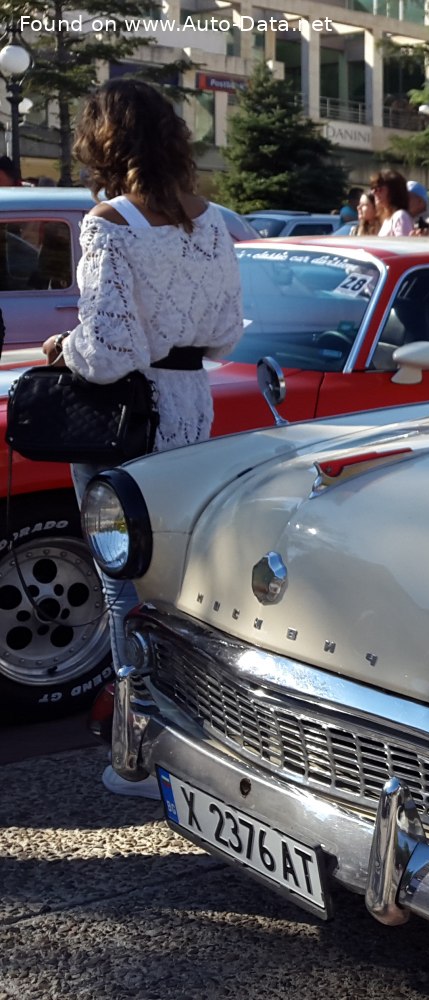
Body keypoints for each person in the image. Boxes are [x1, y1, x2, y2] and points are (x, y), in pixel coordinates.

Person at [39, 80, 243, 798]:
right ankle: (203, 736)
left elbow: (107, 348)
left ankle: (142, 747)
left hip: (123, 418)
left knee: (123, 581)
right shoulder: (211, 219)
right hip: (190, 407)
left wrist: (64, 347)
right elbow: (225, 335)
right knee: (185, 579)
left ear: (104, 140)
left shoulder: (109, 223)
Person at [370, 170, 413, 236]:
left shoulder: (400, 216)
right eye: (372, 188)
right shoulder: (387, 219)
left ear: (393, 192)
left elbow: (402, 245)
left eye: (379, 189)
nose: (373, 192)